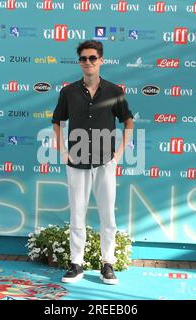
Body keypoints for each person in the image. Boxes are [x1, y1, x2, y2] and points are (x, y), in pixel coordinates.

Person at [51, 40, 134, 285]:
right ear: (79, 62)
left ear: (101, 60)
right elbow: (57, 121)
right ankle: (76, 264)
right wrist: (62, 150)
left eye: (92, 58)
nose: (88, 62)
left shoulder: (114, 91)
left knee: (108, 216)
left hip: (105, 162)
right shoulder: (68, 92)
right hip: (76, 162)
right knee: (77, 215)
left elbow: (128, 121)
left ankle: (107, 264)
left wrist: (118, 155)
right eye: (83, 58)